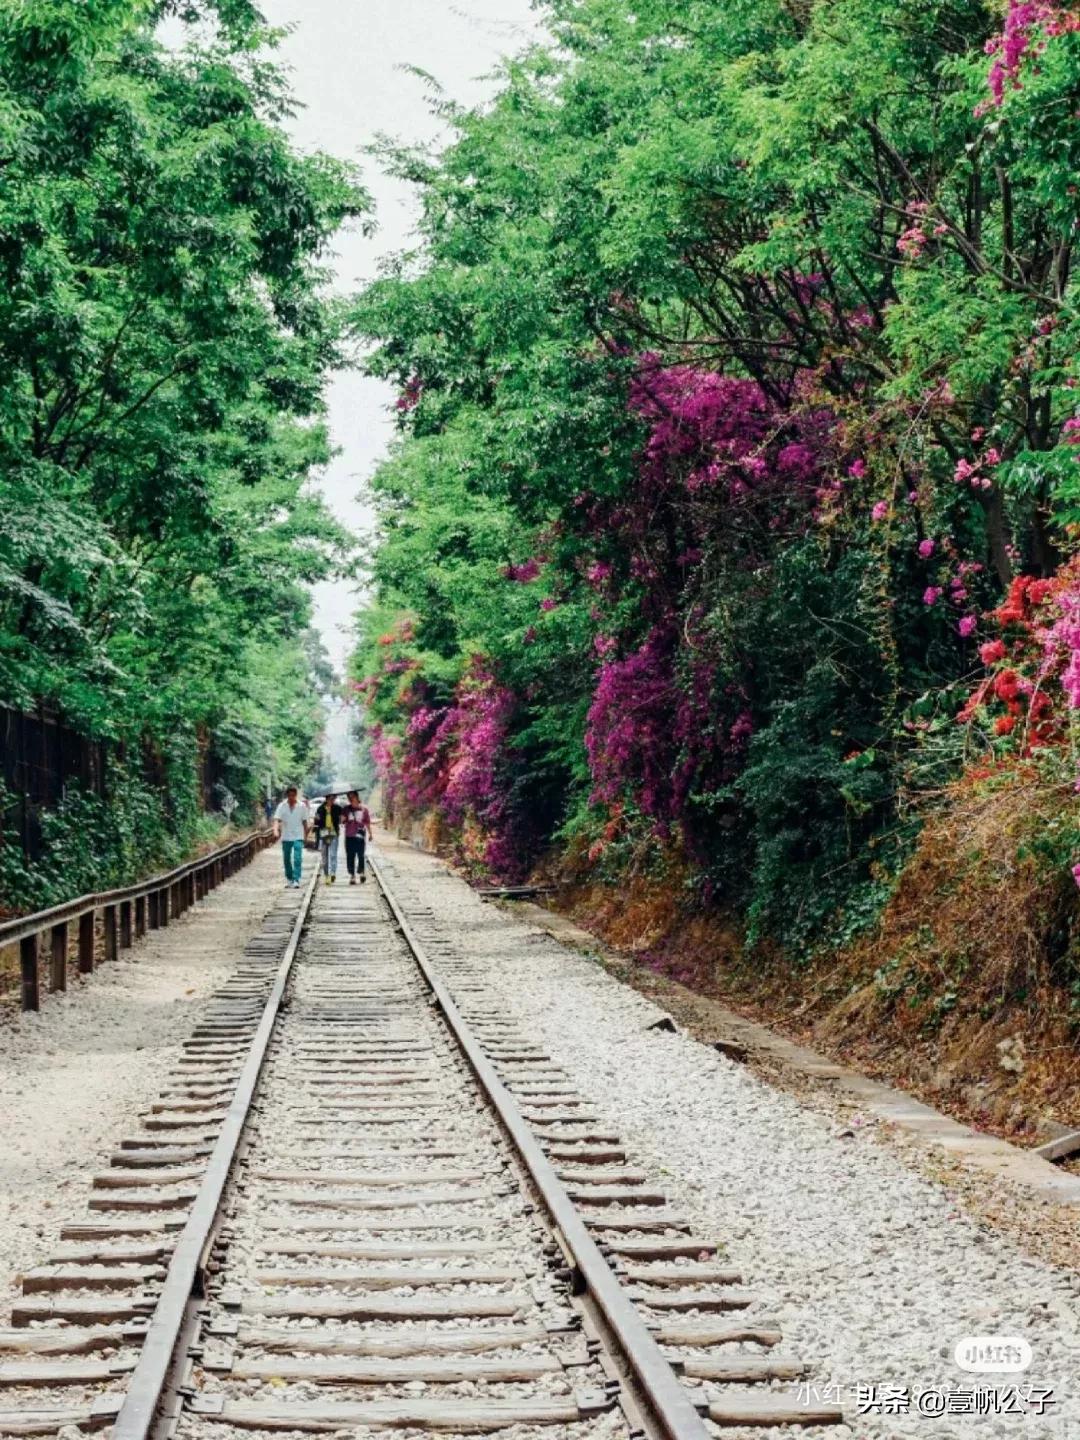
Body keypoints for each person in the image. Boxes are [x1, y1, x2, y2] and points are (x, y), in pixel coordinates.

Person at [272, 786, 311, 888]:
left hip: (298, 835)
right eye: (289, 795)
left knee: (297, 858)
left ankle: (296, 879)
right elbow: (276, 819)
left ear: (296, 795)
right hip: (286, 835)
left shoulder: (302, 806)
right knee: (286, 859)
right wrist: (275, 830)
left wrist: (306, 835)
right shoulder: (282, 806)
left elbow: (305, 822)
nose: (291, 797)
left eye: (293, 795)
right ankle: (289, 878)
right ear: (287, 795)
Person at [342, 790, 373, 885]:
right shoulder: (346, 809)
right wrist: (344, 819)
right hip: (349, 835)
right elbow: (342, 821)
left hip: (360, 835)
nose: (351, 799)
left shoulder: (364, 809)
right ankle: (352, 876)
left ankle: (362, 872)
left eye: (352, 797)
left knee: (361, 855)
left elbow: (367, 822)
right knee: (350, 856)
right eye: (349, 797)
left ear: (357, 797)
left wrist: (370, 834)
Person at [312, 792, 344, 885]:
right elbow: (316, 821)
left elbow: (341, 819)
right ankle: (326, 875)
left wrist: (341, 819)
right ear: (327, 798)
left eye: (333, 798)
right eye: (330, 798)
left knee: (333, 854)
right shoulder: (320, 808)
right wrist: (316, 819)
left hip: (334, 833)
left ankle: (333, 873)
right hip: (324, 833)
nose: (332, 800)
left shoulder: (337, 808)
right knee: (324, 856)